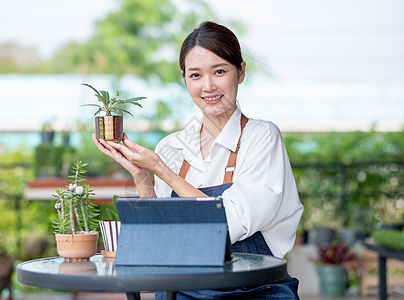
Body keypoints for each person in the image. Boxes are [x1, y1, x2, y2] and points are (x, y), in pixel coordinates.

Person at [93, 21, 304, 299]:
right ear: (184, 79)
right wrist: (142, 176)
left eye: (219, 71)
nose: (208, 86)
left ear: (240, 72)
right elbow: (156, 243)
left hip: (257, 291)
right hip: (182, 293)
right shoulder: (170, 147)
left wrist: (163, 171)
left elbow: (227, 224)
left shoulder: (261, 137)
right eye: (195, 75)